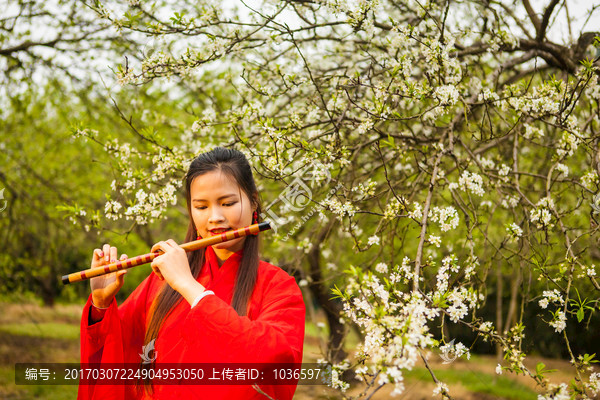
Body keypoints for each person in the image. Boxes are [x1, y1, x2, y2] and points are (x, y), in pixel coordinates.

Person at [78, 147, 306, 400]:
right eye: (201, 207)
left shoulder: (278, 285)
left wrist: (188, 286)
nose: (215, 218)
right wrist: (101, 305)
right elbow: (118, 352)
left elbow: (274, 358)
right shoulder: (161, 279)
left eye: (228, 203)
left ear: (253, 201)